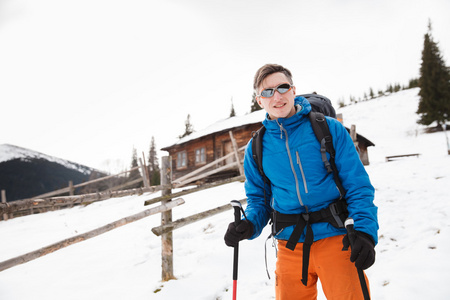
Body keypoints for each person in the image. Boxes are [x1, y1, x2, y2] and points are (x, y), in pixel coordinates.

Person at [224, 64, 378, 299]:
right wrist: (249, 225)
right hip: (290, 244)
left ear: (293, 90)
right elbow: (259, 199)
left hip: (337, 238)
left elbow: (357, 186)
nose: (277, 96)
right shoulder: (256, 147)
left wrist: (365, 232)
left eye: (282, 87)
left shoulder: (329, 129)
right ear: (259, 100)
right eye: (267, 91)